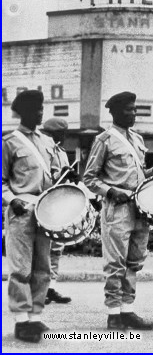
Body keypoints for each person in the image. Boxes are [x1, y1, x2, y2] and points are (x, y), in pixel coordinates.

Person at [84, 91, 153, 330]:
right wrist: (112, 192)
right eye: (128, 110)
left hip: (139, 208)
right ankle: (113, 313)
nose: (133, 113)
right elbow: (90, 178)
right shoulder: (104, 140)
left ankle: (128, 310)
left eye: (134, 109)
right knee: (116, 262)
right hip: (117, 208)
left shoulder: (137, 140)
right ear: (114, 112)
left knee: (134, 261)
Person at [3, 90, 62, 342]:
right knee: (21, 269)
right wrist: (11, 199)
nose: (41, 113)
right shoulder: (9, 142)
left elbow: (55, 176)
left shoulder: (47, 142)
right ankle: (21, 321)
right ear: (24, 112)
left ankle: (36, 317)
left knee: (43, 267)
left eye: (42, 108)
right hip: (21, 211)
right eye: (36, 109)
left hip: (45, 211)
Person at [40, 117, 74, 305]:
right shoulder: (45, 148)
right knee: (44, 250)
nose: (65, 136)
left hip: (59, 204)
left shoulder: (60, 151)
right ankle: (41, 288)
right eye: (63, 132)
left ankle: (51, 287)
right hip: (46, 204)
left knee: (56, 248)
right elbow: (48, 177)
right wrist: (61, 176)